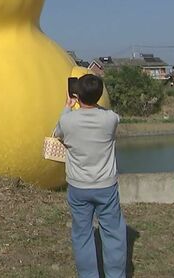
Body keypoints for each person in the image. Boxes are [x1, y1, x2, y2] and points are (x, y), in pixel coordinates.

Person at [54, 74, 126, 278]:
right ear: (100, 95)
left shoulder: (67, 121)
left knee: (82, 235)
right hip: (106, 186)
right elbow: (107, 113)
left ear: (77, 94)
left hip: (78, 187)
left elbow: (57, 133)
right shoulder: (110, 119)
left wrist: (68, 106)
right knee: (113, 234)